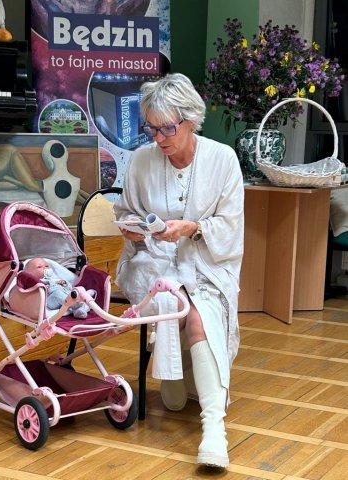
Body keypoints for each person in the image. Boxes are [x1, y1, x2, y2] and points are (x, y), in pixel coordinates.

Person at [114, 73, 244, 469]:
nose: (159, 138)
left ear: (191, 120)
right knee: (173, 297)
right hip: (152, 261)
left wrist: (191, 228)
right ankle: (175, 374)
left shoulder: (223, 159)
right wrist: (135, 227)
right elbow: (125, 214)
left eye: (167, 128)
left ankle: (214, 430)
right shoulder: (141, 160)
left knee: (198, 312)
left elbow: (231, 227)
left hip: (207, 262)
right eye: (152, 129)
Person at [24, 257, 96, 318]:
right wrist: (44, 288)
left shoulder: (54, 278)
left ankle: (79, 310)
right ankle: (78, 303)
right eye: (39, 267)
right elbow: (34, 295)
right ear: (30, 274)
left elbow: (69, 288)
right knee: (58, 294)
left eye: (46, 266)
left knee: (75, 292)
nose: (45, 268)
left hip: (65, 297)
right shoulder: (36, 282)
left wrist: (64, 283)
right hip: (50, 300)